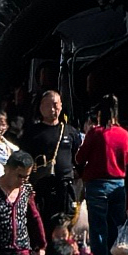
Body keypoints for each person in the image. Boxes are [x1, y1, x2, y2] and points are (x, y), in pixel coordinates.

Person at [80, 100, 128, 255]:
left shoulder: (95, 133)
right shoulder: (124, 134)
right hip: (118, 183)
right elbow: (127, 159)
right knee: (116, 227)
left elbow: (80, 157)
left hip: (97, 184)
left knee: (98, 229)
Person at [20, 88, 82, 227]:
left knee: (65, 225)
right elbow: (24, 158)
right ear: (41, 107)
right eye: (49, 105)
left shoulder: (70, 132)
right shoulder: (32, 132)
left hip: (64, 186)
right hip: (41, 186)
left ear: (61, 105)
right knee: (41, 224)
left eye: (56, 104)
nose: (53, 109)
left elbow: (78, 158)